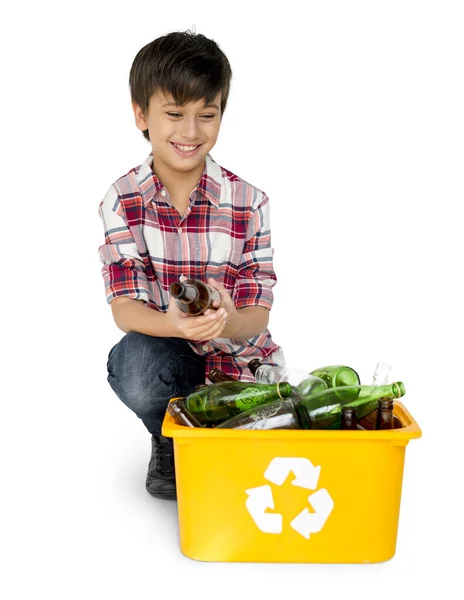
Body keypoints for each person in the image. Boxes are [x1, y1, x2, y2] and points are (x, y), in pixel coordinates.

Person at [98, 29, 285, 501]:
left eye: (207, 115)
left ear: (222, 112)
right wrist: (177, 325)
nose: (190, 132)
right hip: (168, 356)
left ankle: (206, 430)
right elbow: (125, 308)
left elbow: (257, 313)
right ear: (141, 113)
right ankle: (168, 437)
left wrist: (227, 320)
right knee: (134, 365)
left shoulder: (249, 202)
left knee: (246, 482)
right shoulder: (123, 200)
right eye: (174, 114)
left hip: (240, 366)